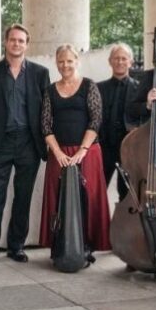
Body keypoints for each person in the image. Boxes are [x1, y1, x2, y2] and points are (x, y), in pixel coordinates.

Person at [0, 24, 51, 269]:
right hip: (0, 142)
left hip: (29, 142)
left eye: (21, 41)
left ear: (27, 44)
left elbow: (46, 109)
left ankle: (16, 245)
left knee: (23, 197)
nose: (16, 44)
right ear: (6, 42)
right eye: (12, 40)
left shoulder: (39, 73)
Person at [39, 45, 110, 255]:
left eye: (69, 61)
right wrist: (58, 153)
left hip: (87, 152)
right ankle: (61, 245)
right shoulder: (50, 90)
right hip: (59, 153)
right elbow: (45, 125)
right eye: (61, 61)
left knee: (88, 198)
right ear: (56, 63)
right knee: (59, 198)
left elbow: (96, 120)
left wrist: (82, 150)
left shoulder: (89, 86)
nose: (65, 65)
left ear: (76, 61)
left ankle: (87, 245)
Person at [96, 43, 138, 201]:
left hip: (128, 148)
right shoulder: (98, 88)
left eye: (123, 58)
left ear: (130, 62)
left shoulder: (139, 88)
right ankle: (98, 225)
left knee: (126, 193)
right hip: (104, 147)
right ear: (110, 61)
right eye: (116, 58)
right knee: (97, 191)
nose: (120, 62)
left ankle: (123, 225)